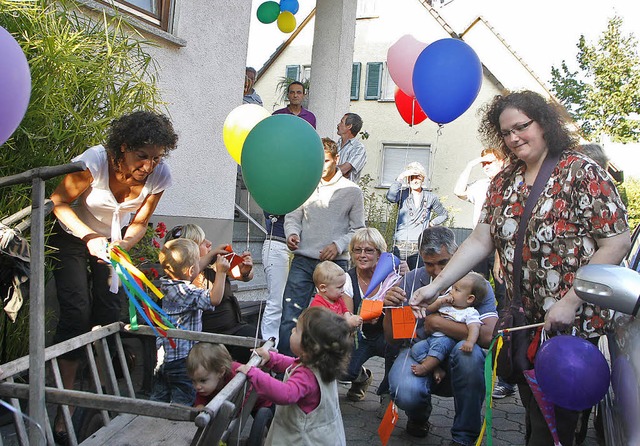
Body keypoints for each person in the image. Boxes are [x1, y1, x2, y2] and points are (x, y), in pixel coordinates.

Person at [410, 90, 631, 446]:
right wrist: (435, 287)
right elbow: (480, 242)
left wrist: (571, 301)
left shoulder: (581, 172)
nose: (513, 138)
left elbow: (616, 242)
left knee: (556, 424)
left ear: (543, 124)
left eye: (521, 127)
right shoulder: (503, 182)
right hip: (525, 323)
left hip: (569, 325)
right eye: (506, 132)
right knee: (534, 413)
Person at [49, 110, 178, 441]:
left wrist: (122, 243)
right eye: (142, 156)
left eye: (156, 157)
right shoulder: (96, 161)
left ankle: (95, 406)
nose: (149, 166)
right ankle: (62, 410)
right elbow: (59, 202)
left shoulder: (158, 175)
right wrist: (90, 238)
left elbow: (139, 223)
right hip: (72, 235)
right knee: (77, 312)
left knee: (109, 315)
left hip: (111, 240)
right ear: (123, 147)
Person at [383, 226, 497, 444]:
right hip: (420, 353)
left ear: (456, 254)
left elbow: (487, 336)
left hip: (460, 356)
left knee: (471, 357)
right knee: (405, 391)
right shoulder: (409, 280)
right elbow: (393, 340)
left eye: (443, 263)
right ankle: (418, 416)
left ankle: (464, 437)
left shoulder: (475, 282)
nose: (435, 271)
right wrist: (389, 310)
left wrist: (436, 323)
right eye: (428, 264)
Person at [278, 137, 365, 356]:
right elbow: (292, 217)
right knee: (291, 315)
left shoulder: (352, 191)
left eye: (325, 160)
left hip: (335, 265)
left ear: (337, 159)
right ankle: (284, 370)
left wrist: (338, 245)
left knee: (335, 321)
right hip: (304, 259)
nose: (321, 165)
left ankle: (329, 371)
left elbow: (358, 229)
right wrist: (292, 234)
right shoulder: (305, 185)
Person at [237, 306, 352, 446]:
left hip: (302, 440)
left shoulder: (305, 376)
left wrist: (254, 373)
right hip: (327, 436)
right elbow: (293, 364)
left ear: (309, 346)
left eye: (297, 330)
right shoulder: (322, 365)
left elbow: (286, 393)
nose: (292, 330)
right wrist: (272, 359)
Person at [453, 148, 514, 399]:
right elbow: (458, 191)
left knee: (505, 309)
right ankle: (472, 357)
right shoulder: (480, 185)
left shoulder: (511, 183)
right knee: (472, 300)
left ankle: (505, 377)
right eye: (484, 162)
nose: (486, 166)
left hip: (501, 250)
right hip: (478, 247)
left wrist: (500, 255)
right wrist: (472, 162)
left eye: (490, 162)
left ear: (502, 161)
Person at [260, 81, 317, 344]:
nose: (295, 96)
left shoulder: (309, 119)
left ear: (303, 96)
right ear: (288, 96)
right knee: (276, 299)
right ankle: (269, 346)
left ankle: (286, 345)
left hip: (298, 245)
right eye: (291, 92)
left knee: (293, 302)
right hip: (276, 240)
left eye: (299, 92)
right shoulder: (277, 117)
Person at [151, 238, 229, 405]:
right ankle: (177, 431)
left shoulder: (168, 284)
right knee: (183, 404)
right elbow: (214, 299)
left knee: (159, 401)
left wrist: (213, 253)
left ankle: (153, 426)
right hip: (183, 361)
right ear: (192, 269)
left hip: (163, 360)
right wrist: (221, 273)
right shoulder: (187, 291)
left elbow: (191, 269)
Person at [165, 224, 259, 363]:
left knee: (255, 342)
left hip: (234, 328)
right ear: (189, 250)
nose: (209, 243)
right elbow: (212, 298)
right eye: (202, 242)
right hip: (208, 339)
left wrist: (245, 270)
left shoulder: (214, 263)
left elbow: (244, 276)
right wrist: (212, 257)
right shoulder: (182, 279)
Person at [341, 228, 407, 414]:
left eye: (369, 250)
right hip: (361, 334)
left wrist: (407, 278)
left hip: (386, 335)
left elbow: (405, 309)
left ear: (380, 254)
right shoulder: (348, 278)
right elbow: (349, 314)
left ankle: (387, 394)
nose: (362, 255)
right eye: (357, 250)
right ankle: (361, 377)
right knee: (343, 371)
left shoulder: (393, 276)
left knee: (397, 347)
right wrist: (368, 313)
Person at [410, 272, 484, 380]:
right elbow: (429, 308)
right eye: (452, 288)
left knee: (439, 347)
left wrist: (470, 342)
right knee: (416, 350)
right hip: (432, 338)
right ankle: (435, 368)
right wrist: (440, 301)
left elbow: (474, 328)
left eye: (456, 290)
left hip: (447, 340)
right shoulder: (446, 304)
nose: (451, 292)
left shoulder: (469, 312)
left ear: (469, 299)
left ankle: (425, 368)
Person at [386, 161, 448, 270]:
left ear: (423, 179)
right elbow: (390, 197)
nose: (415, 180)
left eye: (418, 177)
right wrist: (401, 177)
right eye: (411, 177)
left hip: (420, 245)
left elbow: (443, 214)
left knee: (417, 276)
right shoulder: (402, 194)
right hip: (401, 244)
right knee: (397, 277)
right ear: (408, 179)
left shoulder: (430, 197)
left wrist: (432, 223)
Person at [309, 260, 363, 328]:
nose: (343, 290)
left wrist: (350, 319)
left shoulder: (338, 299)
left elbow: (345, 311)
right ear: (323, 288)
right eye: (339, 287)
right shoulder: (318, 305)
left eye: (343, 286)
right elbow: (326, 326)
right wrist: (347, 323)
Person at [336, 113, 367, 183]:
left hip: (346, 192)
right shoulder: (336, 145)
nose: (338, 125)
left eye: (341, 122)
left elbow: (344, 170)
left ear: (349, 126)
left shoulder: (358, 148)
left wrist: (327, 170)